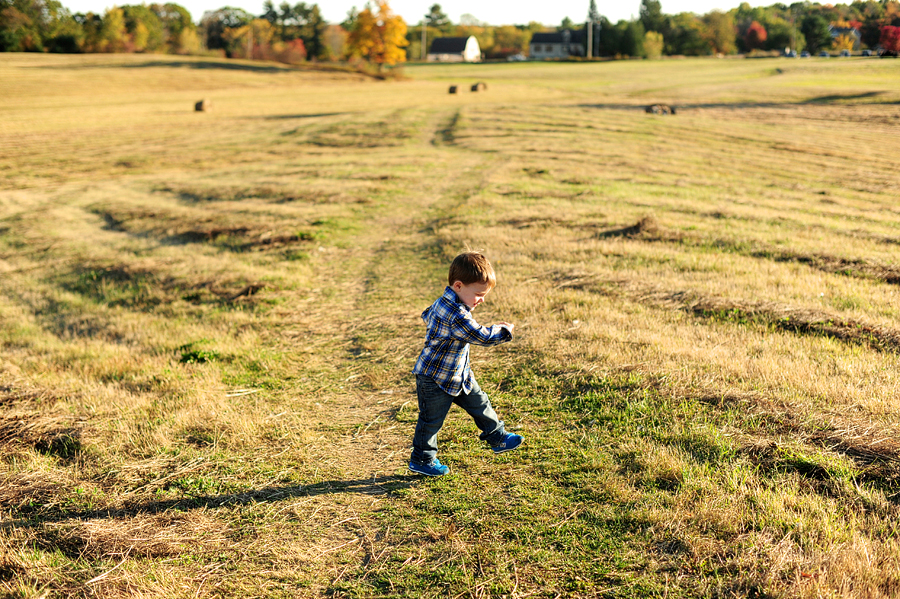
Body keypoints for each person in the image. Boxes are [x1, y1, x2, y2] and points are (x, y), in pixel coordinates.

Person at [409, 250, 523, 477]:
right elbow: (482, 336)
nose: (481, 300)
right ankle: (422, 459)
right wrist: (502, 331)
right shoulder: (457, 315)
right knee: (431, 421)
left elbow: (427, 314)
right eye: (479, 294)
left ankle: (497, 437)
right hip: (435, 378)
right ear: (459, 286)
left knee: (480, 402)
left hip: (458, 374)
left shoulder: (445, 302)